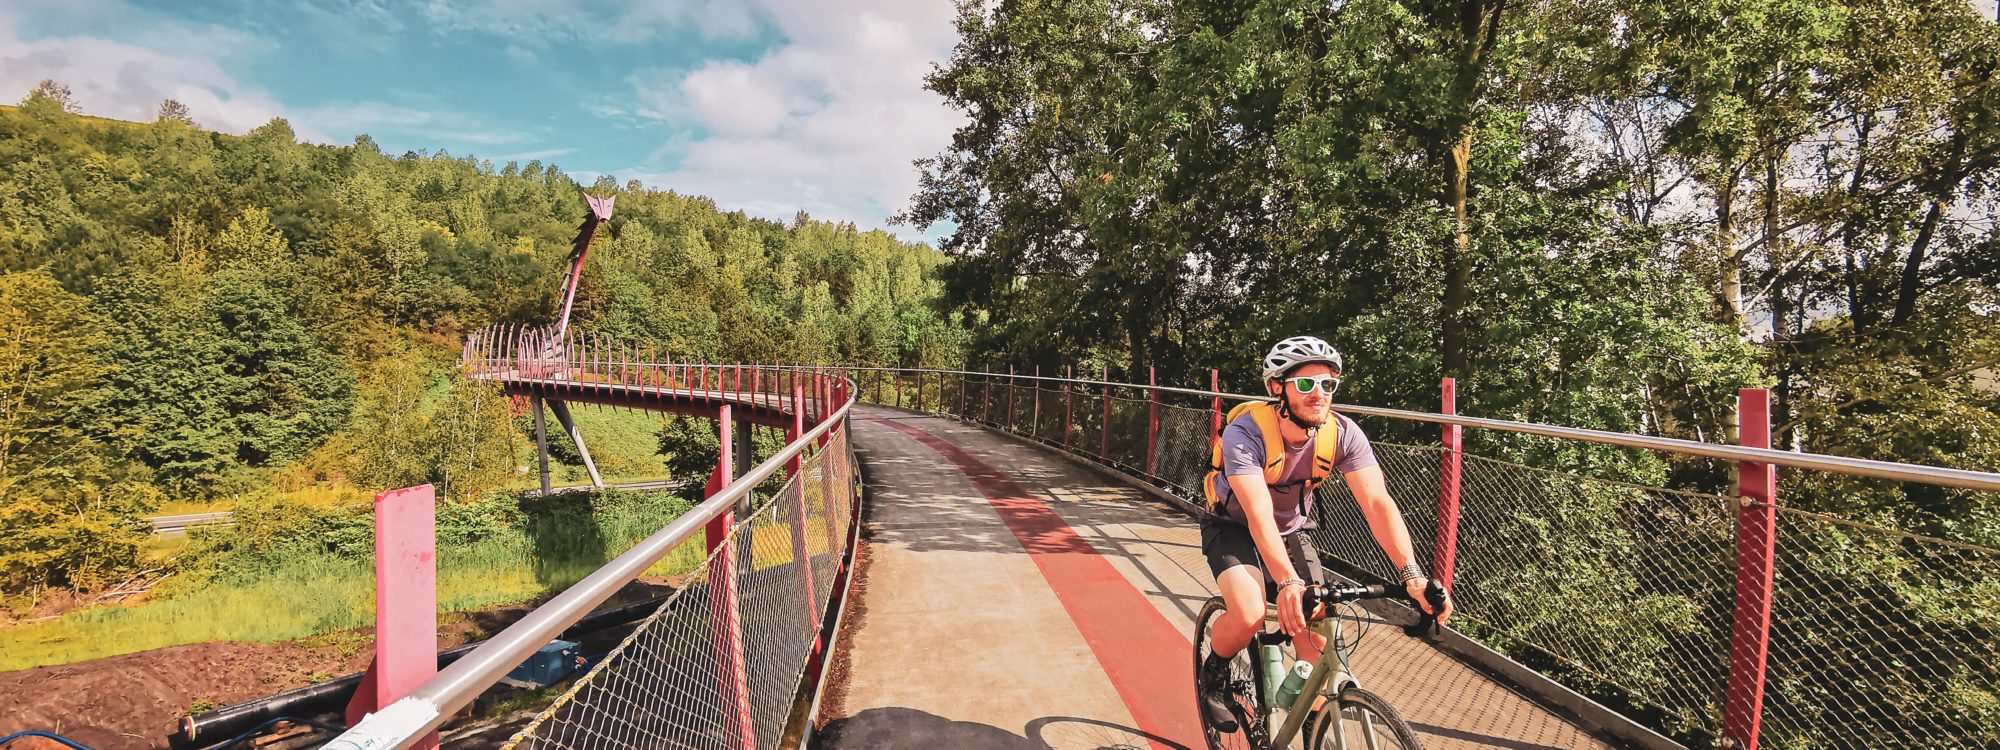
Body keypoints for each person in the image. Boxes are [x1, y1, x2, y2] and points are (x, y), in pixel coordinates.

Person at [1197, 335, 1452, 730]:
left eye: (1327, 384)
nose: (1319, 394)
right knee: (1248, 614)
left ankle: (1314, 722)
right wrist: (1286, 582)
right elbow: (1258, 513)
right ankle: (1214, 673)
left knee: (1318, 642)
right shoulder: (1245, 434)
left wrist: (1412, 575)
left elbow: (1378, 504)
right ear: (1277, 388)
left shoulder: (1344, 434)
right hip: (1234, 527)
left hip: (1292, 530)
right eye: (1305, 384)